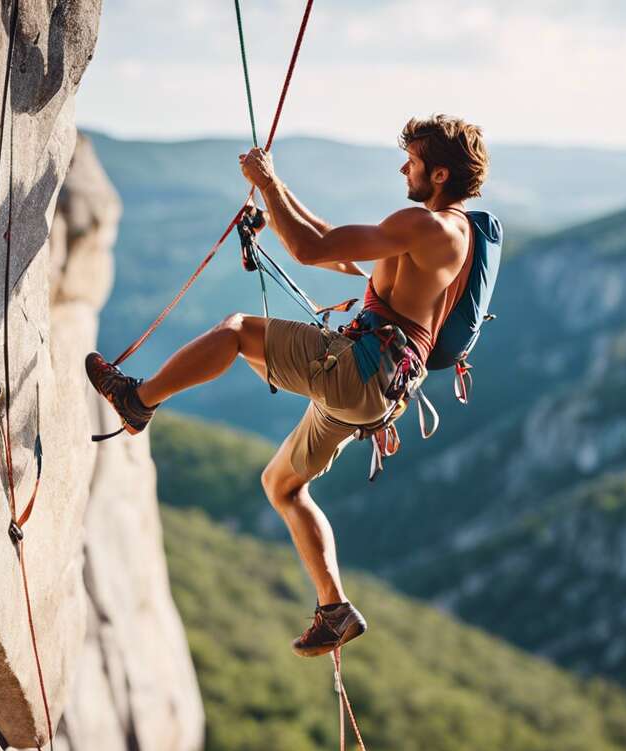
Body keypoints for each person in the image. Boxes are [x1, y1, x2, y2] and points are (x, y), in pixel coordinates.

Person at [86, 114, 489, 657]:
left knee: (234, 331)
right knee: (282, 486)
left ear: (439, 174)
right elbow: (335, 247)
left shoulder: (428, 227)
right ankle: (334, 608)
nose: (404, 167)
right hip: (378, 394)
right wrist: (272, 197)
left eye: (413, 161)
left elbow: (309, 250)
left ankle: (137, 401)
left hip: (359, 371)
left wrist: (269, 183)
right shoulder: (446, 233)